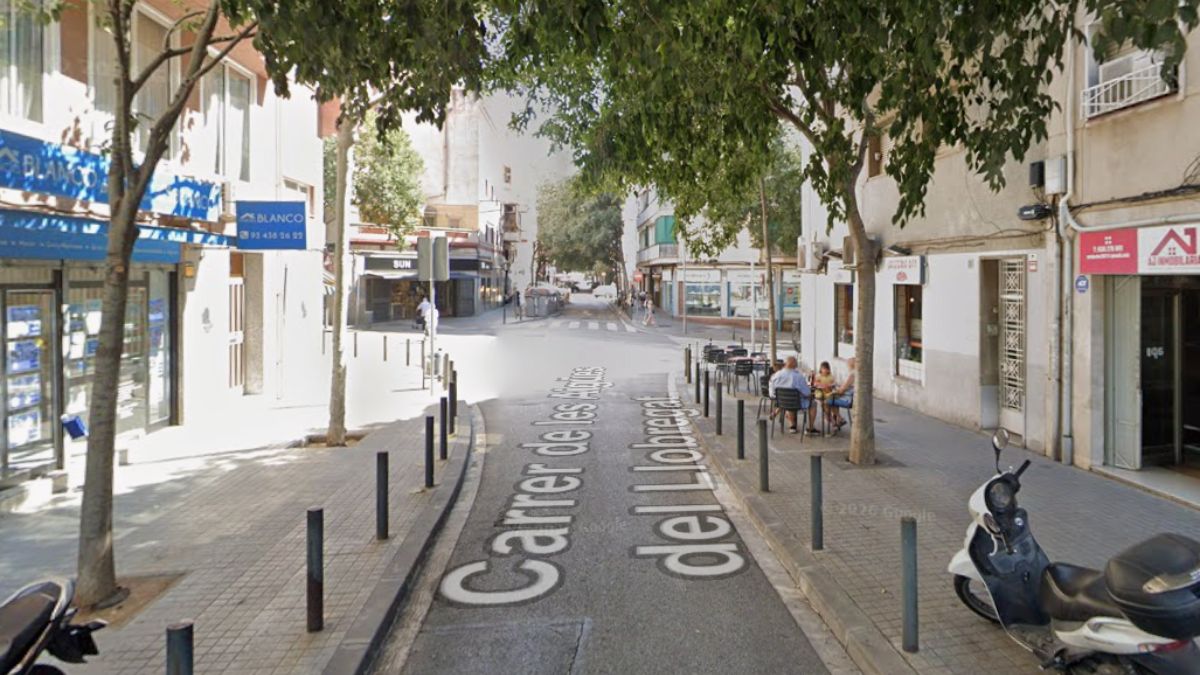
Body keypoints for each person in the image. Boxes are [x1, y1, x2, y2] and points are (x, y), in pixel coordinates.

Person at [768, 357, 814, 433]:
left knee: (789, 400)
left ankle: (792, 426)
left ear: (785, 364)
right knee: (813, 403)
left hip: (781, 403)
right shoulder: (798, 376)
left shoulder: (776, 375)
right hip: (796, 403)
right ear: (795, 365)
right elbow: (807, 393)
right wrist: (810, 395)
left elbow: (772, 394)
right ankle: (811, 428)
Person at [830, 357, 856, 431]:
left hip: (847, 399)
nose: (847, 366)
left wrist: (835, 390)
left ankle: (839, 419)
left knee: (828, 401)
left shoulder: (852, 375)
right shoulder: (856, 374)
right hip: (850, 397)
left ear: (851, 365)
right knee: (832, 399)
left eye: (848, 364)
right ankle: (838, 420)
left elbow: (842, 390)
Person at [812, 361, 836, 427]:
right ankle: (831, 419)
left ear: (829, 370)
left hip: (828, 393)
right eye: (823, 369)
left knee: (828, 404)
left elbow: (834, 383)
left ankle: (829, 417)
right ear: (820, 369)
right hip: (820, 393)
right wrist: (821, 385)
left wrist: (830, 385)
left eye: (826, 369)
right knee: (824, 403)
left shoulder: (831, 376)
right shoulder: (818, 376)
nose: (825, 370)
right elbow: (815, 383)